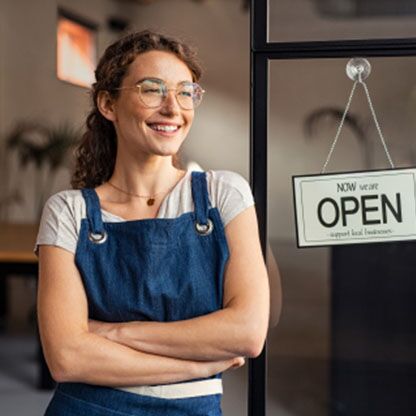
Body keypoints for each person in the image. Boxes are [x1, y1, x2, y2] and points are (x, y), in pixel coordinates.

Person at [36, 29, 279, 415]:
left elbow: (248, 333)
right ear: (108, 104)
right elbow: (67, 358)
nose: (173, 108)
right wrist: (198, 366)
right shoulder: (68, 212)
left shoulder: (224, 195)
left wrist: (110, 332)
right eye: (152, 89)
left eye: (185, 92)